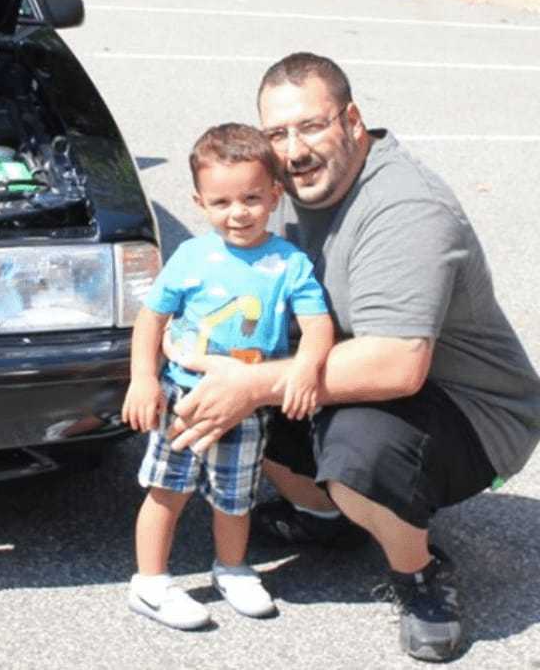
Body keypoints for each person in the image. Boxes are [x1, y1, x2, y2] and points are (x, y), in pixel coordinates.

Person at [167, 52, 540, 662]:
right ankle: (325, 517)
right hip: (343, 363)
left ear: (352, 120)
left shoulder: (404, 208)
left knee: (357, 449)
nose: (294, 150)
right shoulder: (276, 190)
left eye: (311, 126)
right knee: (236, 380)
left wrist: (250, 384)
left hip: (469, 409)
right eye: (277, 134)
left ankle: (419, 576)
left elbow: (398, 365)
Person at [121, 123, 334, 630]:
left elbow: (318, 323)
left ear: (275, 196)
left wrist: (307, 366)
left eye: (251, 198)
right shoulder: (192, 257)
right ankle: (149, 584)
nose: (237, 213)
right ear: (199, 201)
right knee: (165, 491)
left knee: (236, 496)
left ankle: (233, 569)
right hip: (184, 401)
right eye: (221, 202)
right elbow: (151, 319)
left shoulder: (289, 262)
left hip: (245, 405)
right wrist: (143, 380)